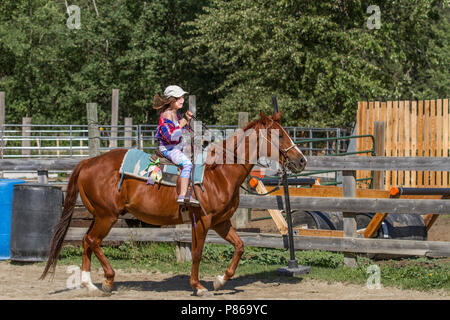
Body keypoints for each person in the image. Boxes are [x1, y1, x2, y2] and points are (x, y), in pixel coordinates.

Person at [153, 85, 199, 205]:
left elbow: (183, 132)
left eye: (182, 97)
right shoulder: (166, 115)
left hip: (177, 146)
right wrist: (183, 122)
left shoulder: (176, 114)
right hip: (168, 148)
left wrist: (186, 121)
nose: (182, 100)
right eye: (179, 97)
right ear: (171, 100)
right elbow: (170, 137)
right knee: (187, 164)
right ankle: (183, 196)